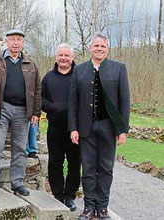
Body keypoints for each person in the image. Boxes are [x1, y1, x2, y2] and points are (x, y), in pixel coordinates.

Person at [68, 33, 130, 220]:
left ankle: (102, 208)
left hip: (109, 128)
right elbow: (73, 102)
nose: (99, 49)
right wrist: (73, 128)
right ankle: (88, 207)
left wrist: (122, 130)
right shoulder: (79, 70)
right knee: (87, 169)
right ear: (90, 48)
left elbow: (124, 101)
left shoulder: (118, 69)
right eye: (96, 46)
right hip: (86, 128)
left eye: (103, 46)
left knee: (106, 169)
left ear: (107, 49)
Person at [0, 29, 41, 197]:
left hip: (23, 111)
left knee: (20, 148)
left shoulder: (30, 64)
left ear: (23, 43)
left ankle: (17, 183)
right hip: (2, 108)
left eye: (19, 40)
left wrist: (35, 112)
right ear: (7, 41)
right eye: (13, 40)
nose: (16, 43)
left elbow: (37, 90)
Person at [42, 43, 80, 211]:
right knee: (55, 163)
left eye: (67, 55)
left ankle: (70, 196)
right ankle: (57, 195)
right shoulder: (48, 77)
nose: (64, 58)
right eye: (61, 55)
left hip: (75, 129)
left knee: (74, 163)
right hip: (55, 127)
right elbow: (41, 99)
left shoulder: (80, 76)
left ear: (72, 57)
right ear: (56, 57)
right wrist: (53, 107)